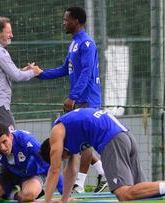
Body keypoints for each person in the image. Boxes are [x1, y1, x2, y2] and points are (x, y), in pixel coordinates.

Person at [40, 108, 165, 202]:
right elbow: (71, 169)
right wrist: (63, 200)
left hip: (111, 141)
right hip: (125, 135)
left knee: (123, 194)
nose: (64, 157)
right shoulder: (70, 136)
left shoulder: (57, 131)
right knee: (143, 192)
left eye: (60, 156)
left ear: (53, 149)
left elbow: (55, 170)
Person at [34, 6, 106, 193]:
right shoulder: (74, 43)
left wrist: (73, 97)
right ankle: (102, 173)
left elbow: (86, 73)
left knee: (85, 140)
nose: (64, 22)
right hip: (78, 98)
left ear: (77, 21)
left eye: (66, 19)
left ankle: (80, 185)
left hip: (88, 99)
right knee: (76, 139)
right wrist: (41, 74)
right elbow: (66, 69)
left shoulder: (87, 44)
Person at [0, 16, 43, 188]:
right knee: (10, 142)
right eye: (8, 32)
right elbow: (15, 76)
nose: (11, 35)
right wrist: (33, 73)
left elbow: (6, 74)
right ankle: (19, 180)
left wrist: (23, 71)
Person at [0, 123, 63, 203]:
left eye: (4, 142)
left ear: (11, 136)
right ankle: (10, 191)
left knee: (29, 194)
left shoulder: (27, 141)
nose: (3, 148)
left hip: (31, 172)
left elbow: (51, 165)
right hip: (8, 170)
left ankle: (15, 194)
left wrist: (63, 191)